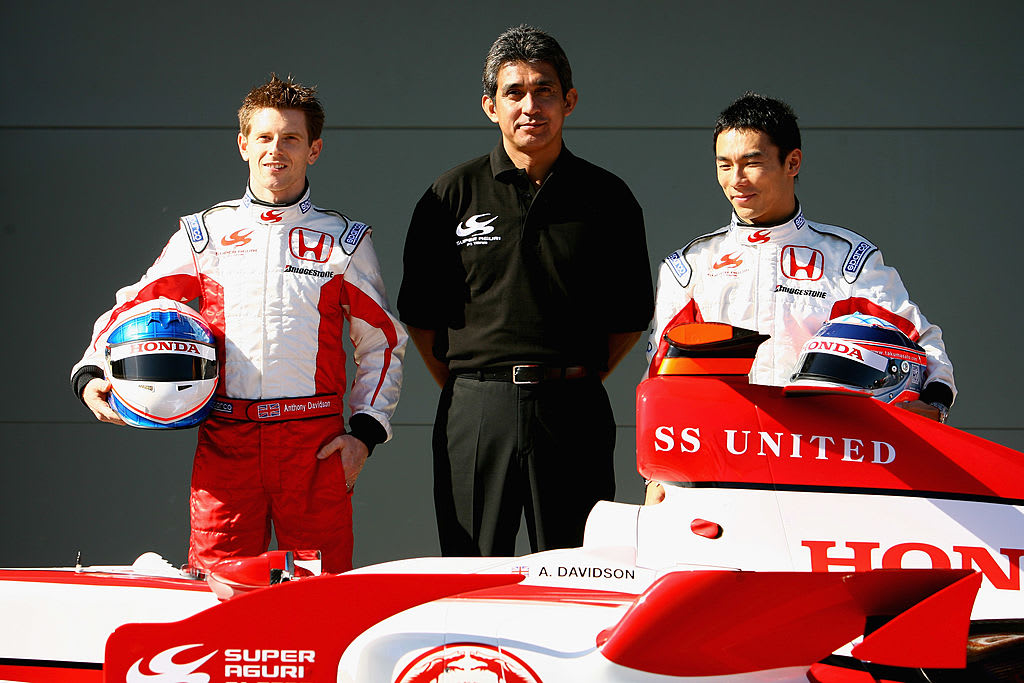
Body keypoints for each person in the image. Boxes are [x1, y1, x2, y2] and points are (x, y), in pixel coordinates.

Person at [70, 75, 407, 573]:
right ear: (243, 144)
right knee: (217, 591)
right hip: (227, 440)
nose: (277, 150)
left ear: (314, 149)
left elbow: (382, 341)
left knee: (317, 598)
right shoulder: (205, 234)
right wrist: (92, 369)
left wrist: (364, 432)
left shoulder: (343, 241)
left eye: (291, 138)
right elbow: (136, 302)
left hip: (312, 445)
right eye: (265, 137)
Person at [397, 26, 654, 557]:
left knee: (577, 575)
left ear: (569, 101)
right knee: (471, 573)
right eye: (514, 92)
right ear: (490, 105)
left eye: (545, 90)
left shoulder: (608, 197)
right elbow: (421, 317)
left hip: (574, 410)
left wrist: (571, 376)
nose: (530, 105)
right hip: (475, 409)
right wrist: (475, 382)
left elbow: (630, 316)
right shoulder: (448, 195)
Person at [647, 92, 955, 420]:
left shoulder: (848, 261)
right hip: (723, 454)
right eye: (725, 165)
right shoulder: (690, 266)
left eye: (751, 163)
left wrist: (934, 403)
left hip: (819, 454)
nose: (736, 180)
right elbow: (661, 377)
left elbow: (918, 342)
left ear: (792, 162)